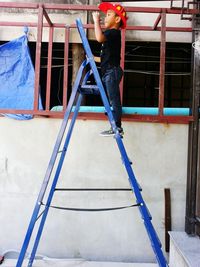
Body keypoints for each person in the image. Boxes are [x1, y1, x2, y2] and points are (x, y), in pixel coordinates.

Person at [92, 2, 128, 137]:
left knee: (114, 100)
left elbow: (99, 37)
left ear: (117, 19)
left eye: (108, 15)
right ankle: (115, 125)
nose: (105, 17)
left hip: (111, 72)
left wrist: (96, 21)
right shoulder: (111, 36)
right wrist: (90, 58)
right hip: (110, 71)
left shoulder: (113, 32)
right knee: (111, 100)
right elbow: (103, 59)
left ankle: (117, 127)